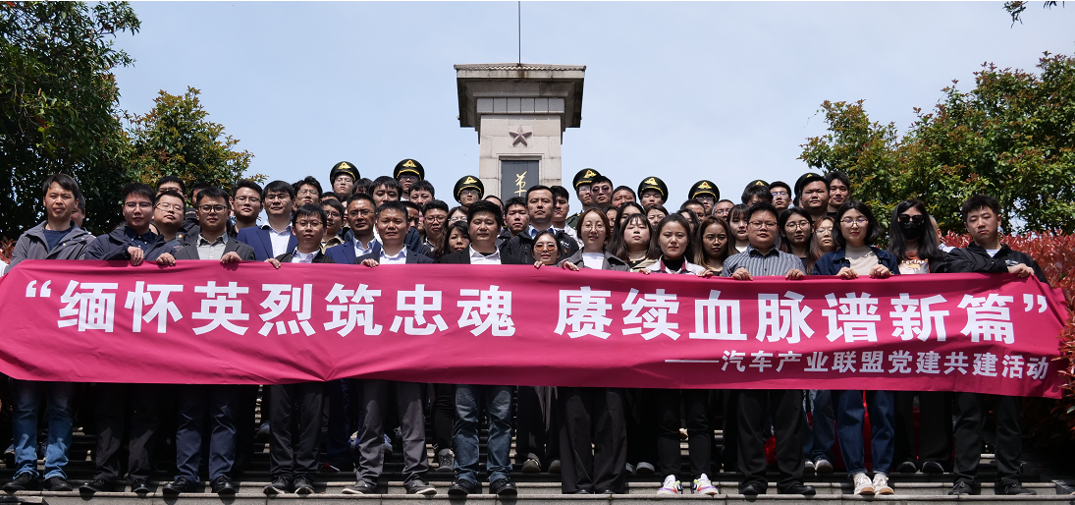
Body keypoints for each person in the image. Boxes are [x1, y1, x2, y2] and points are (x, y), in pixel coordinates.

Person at [159, 187, 255, 496]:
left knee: (224, 415)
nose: (212, 212)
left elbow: (258, 296)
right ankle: (186, 474)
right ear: (196, 213)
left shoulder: (245, 251)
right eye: (206, 208)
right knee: (189, 414)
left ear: (229, 212)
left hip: (229, 348)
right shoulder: (178, 251)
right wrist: (161, 265)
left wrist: (243, 268)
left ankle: (220, 474)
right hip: (189, 348)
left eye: (218, 208)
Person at [945, 194, 1042, 496]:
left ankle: (1010, 478)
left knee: (1009, 416)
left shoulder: (1024, 260)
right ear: (966, 227)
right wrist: (1003, 271)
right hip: (969, 351)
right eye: (973, 219)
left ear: (999, 219)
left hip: (1009, 352)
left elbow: (1042, 301)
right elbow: (957, 277)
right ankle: (964, 478)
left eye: (985, 216)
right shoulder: (959, 257)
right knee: (968, 416)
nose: (980, 223)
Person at [4, 174, 94, 493]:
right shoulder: (28, 239)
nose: (59, 201)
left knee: (61, 407)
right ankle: (25, 467)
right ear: (44, 200)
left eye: (66, 196)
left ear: (75, 203)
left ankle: (56, 469)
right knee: (25, 407)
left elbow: (86, 284)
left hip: (65, 340)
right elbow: (14, 278)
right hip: (27, 339)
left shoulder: (87, 243)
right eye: (54, 195)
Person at [342, 201, 437, 496]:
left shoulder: (425, 264)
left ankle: (416, 476)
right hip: (372, 352)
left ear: (409, 226)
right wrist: (361, 274)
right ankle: (367, 476)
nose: (392, 226)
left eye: (398, 221)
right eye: (386, 221)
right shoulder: (361, 263)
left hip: (411, 353)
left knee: (413, 418)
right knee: (370, 416)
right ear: (377, 225)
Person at [722, 202, 814, 497]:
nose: (763, 228)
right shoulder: (732, 263)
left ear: (778, 230)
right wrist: (732, 283)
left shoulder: (792, 262)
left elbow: (804, 305)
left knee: (790, 418)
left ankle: (791, 480)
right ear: (746, 228)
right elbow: (719, 307)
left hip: (785, 351)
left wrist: (800, 283)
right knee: (749, 419)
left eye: (769, 224)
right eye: (757, 223)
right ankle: (753, 478)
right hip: (747, 353)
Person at [438, 201, 525, 497]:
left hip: (503, 355)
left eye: (489, 222)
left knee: (501, 417)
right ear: (469, 227)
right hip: (464, 355)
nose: (483, 227)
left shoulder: (516, 265)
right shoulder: (450, 263)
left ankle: (500, 474)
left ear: (499, 228)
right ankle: (466, 474)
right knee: (465, 417)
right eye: (477, 222)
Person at [813, 199, 899, 496]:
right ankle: (857, 473)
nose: (853, 224)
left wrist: (890, 280)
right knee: (849, 411)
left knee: (883, 411)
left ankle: (882, 473)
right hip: (843, 348)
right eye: (847, 219)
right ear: (839, 226)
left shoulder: (886, 259)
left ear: (869, 224)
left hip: (880, 347)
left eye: (860, 219)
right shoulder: (827, 263)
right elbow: (812, 306)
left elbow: (904, 303)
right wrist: (832, 282)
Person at [555, 208, 629, 494]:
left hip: (612, 357)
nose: (594, 229)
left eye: (599, 224)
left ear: (607, 232)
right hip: (574, 357)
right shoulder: (564, 266)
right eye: (588, 224)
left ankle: (608, 481)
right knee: (576, 419)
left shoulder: (621, 268)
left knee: (611, 418)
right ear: (580, 231)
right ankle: (580, 482)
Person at [261, 204, 333, 495]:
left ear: (324, 229)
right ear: (294, 229)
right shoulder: (278, 263)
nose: (308, 228)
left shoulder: (334, 266)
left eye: (314, 223)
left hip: (316, 355)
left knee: (311, 419)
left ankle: (305, 474)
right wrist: (263, 272)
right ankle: (281, 473)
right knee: (279, 418)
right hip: (281, 353)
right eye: (303, 223)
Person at [639, 214, 713, 495]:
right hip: (661, 360)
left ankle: (701, 477)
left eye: (680, 235)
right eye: (667, 235)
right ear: (658, 239)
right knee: (667, 421)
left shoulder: (700, 273)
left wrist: (711, 282)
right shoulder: (645, 274)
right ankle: (671, 477)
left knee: (699, 420)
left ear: (688, 239)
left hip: (696, 360)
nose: (673, 240)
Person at [886, 199, 952, 476]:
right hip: (896, 337)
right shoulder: (884, 258)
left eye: (917, 218)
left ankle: (935, 456)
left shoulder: (943, 259)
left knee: (935, 398)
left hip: (934, 336)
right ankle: (903, 456)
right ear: (895, 222)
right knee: (898, 401)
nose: (910, 222)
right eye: (904, 218)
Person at [501, 185, 579, 264]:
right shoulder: (513, 243)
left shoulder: (569, 243)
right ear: (527, 209)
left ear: (554, 208)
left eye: (545, 201)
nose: (539, 205)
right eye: (534, 201)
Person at [236, 180, 297, 261]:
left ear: (293, 202)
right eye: (271, 197)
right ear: (263, 203)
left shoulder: (303, 234)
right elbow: (239, 265)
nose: (276, 201)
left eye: (281, 197)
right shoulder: (246, 235)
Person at [325, 194, 380, 264]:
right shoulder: (333, 253)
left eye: (365, 212)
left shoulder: (388, 252)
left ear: (375, 217)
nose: (359, 217)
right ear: (348, 220)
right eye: (354, 213)